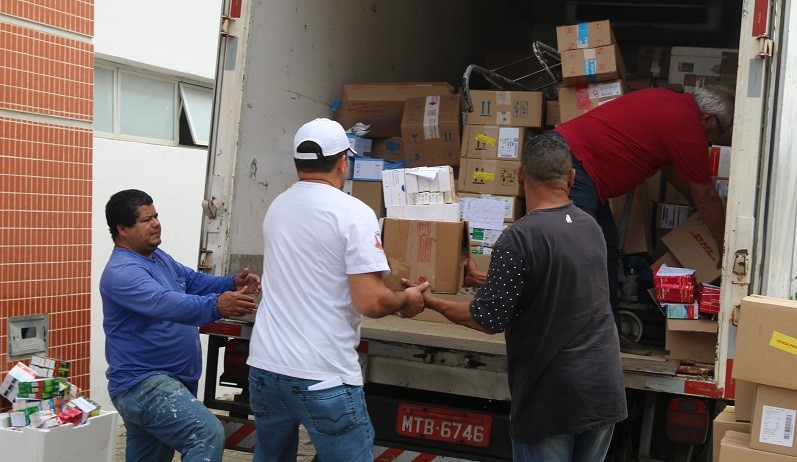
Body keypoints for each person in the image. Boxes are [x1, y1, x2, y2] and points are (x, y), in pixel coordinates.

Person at [419, 133, 627, 461]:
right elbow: (552, 282)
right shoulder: (590, 228)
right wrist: (479, 278)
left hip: (552, 399)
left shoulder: (519, 237)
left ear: (519, 176)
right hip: (603, 391)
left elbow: (486, 319)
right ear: (571, 178)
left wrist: (430, 301)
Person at [246, 118, 429, 462]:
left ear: (298, 162)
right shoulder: (353, 212)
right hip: (323, 375)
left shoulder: (278, 207)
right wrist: (407, 298)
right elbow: (371, 301)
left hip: (265, 370)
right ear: (344, 161)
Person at [553, 84, 734, 355]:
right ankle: (563, 338)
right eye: (718, 134)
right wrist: (725, 247)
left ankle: (607, 339)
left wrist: (695, 203)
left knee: (606, 250)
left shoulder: (667, 101)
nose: (712, 141)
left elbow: (672, 169)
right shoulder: (688, 127)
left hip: (579, 167)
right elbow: (706, 196)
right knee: (581, 253)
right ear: (708, 118)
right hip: (572, 166)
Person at [100, 189, 261, 462]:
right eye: (146, 219)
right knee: (206, 432)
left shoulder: (157, 257)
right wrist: (216, 306)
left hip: (165, 381)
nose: (156, 223)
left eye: (156, 216)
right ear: (122, 229)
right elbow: (166, 303)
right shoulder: (123, 272)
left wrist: (231, 283)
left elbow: (193, 282)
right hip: (144, 384)